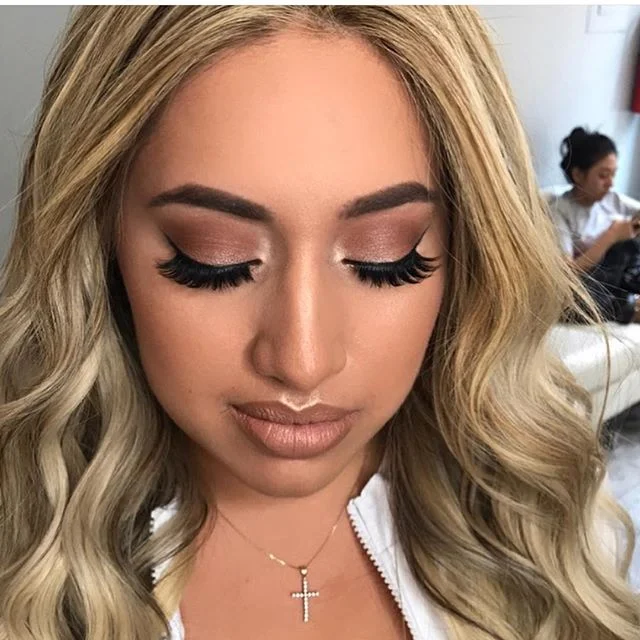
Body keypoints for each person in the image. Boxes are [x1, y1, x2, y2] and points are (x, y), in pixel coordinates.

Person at [0, 6, 638, 640]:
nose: (302, 362)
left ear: (466, 253)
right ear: (100, 245)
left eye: (386, 258)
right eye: (212, 258)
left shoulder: (542, 523)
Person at [548, 127, 640, 324]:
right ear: (578, 175)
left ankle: (629, 303)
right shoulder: (560, 211)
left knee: (630, 245)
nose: (611, 184)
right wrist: (611, 236)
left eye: (613, 174)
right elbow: (568, 274)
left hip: (620, 277)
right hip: (589, 284)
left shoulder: (611, 199)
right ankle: (630, 307)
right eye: (603, 175)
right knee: (575, 305)